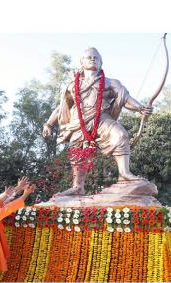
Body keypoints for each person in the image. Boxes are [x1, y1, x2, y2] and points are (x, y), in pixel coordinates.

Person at [43, 47, 153, 195]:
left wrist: (140, 107)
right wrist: (49, 124)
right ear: (82, 62)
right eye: (89, 57)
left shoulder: (110, 83)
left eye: (96, 57)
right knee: (77, 152)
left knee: (120, 135)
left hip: (101, 118)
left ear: (101, 62)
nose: (92, 59)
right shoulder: (71, 86)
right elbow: (61, 108)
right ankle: (77, 187)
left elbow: (125, 98)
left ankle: (124, 174)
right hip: (78, 122)